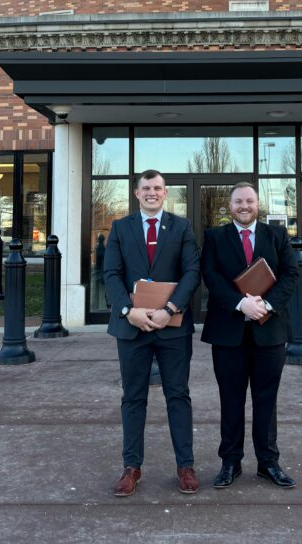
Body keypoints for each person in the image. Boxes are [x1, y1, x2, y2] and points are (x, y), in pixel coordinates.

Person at [103, 169, 201, 497]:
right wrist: (128, 311)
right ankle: (132, 467)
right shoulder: (120, 228)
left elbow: (191, 272)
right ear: (136, 193)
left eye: (157, 188)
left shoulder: (182, 227)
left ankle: (185, 466)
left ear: (165, 193)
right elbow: (111, 273)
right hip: (132, 328)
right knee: (133, 397)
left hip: (172, 327)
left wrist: (168, 310)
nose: (152, 193)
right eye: (146, 188)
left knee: (178, 395)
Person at [200, 181, 299, 489]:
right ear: (230, 206)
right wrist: (240, 303)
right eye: (239, 201)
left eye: (250, 201)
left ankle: (268, 463)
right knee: (230, 400)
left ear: (258, 205)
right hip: (227, 333)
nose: (244, 206)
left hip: (269, 332)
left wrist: (265, 305)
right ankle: (230, 462)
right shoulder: (215, 237)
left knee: (266, 401)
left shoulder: (277, 235)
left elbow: (290, 273)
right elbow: (211, 276)